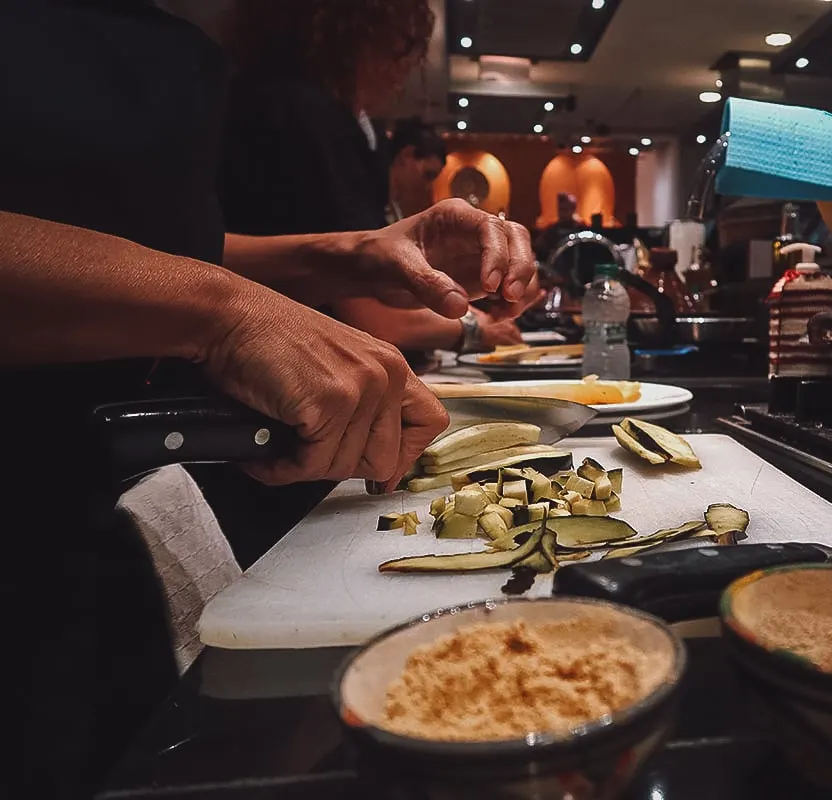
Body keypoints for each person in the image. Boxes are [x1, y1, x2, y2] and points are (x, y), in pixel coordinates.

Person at [0, 2, 533, 797]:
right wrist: (217, 311)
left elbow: (153, 237)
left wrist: (352, 255)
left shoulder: (189, 42)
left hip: (93, 497)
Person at [218, 0, 530, 385]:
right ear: (353, 28)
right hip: (278, 378)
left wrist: (439, 280)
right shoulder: (298, 111)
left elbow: (358, 279)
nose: (409, 64)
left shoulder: (333, 118)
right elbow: (362, 317)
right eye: (404, 41)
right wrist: (469, 327)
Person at [386, 117, 448, 223]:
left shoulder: (393, 209)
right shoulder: (364, 202)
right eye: (427, 174)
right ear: (406, 154)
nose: (427, 186)